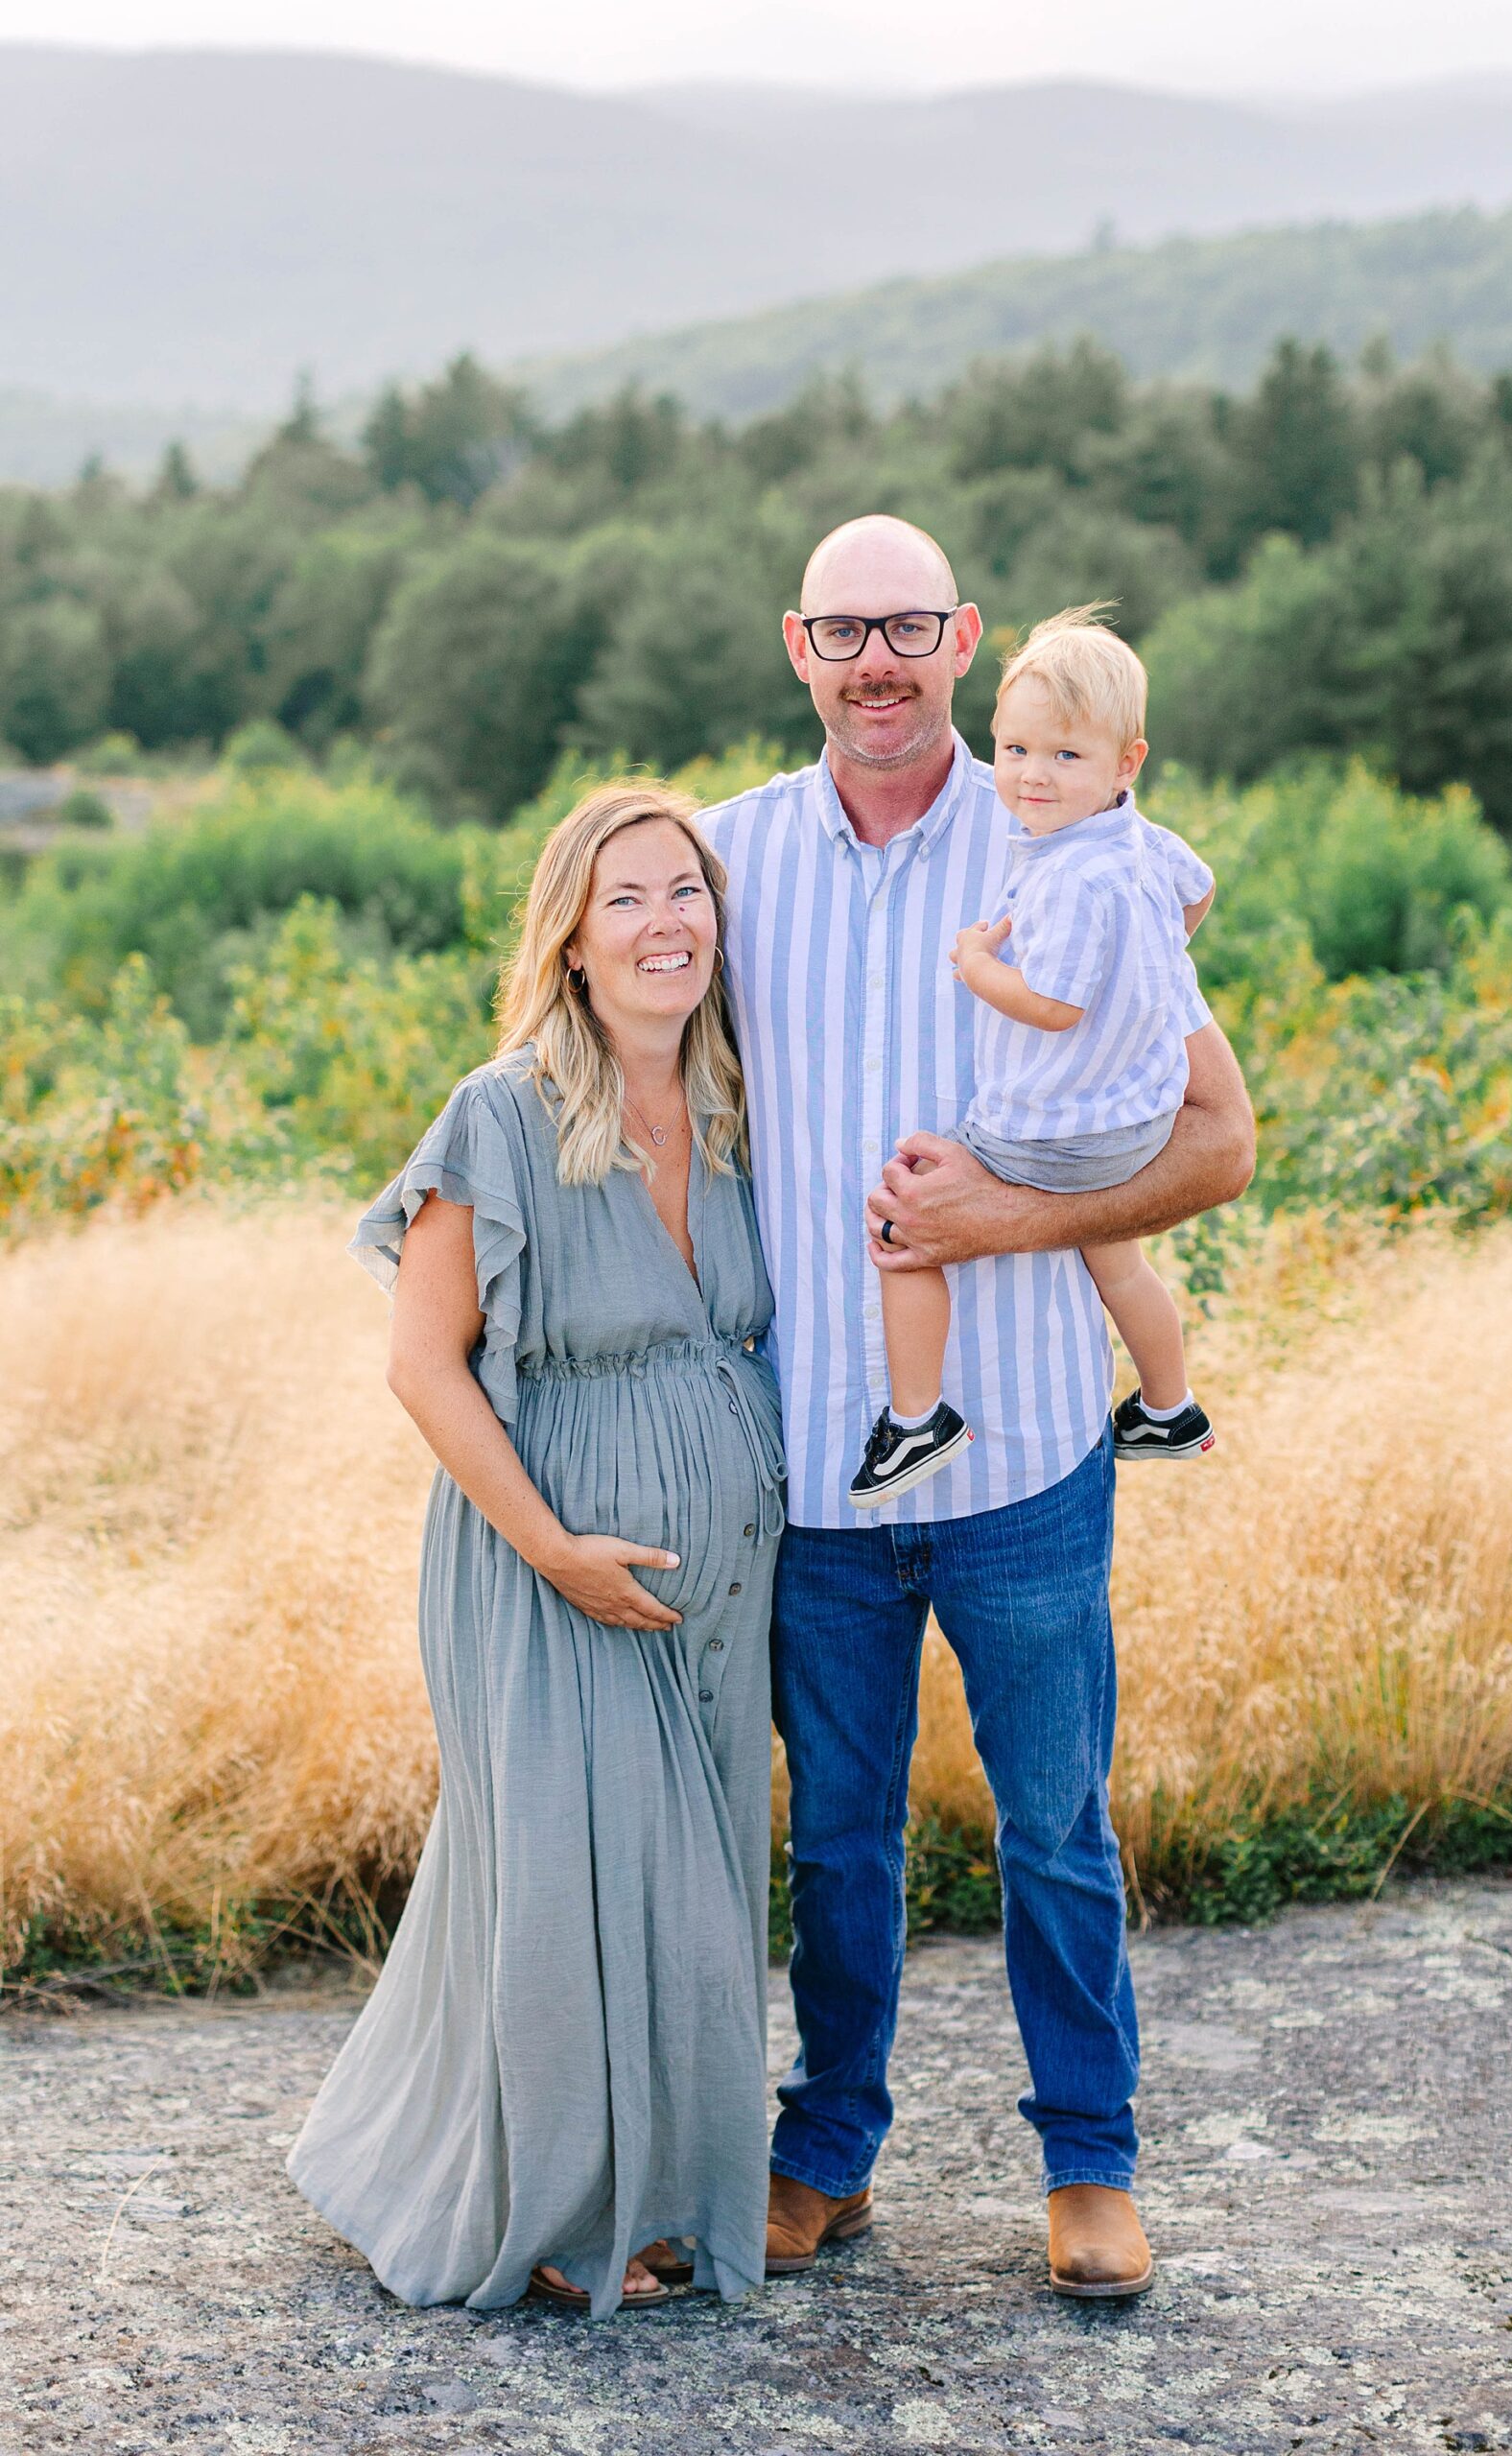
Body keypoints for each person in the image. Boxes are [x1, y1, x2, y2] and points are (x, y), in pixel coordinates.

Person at [697, 516, 1254, 2300]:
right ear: (798, 643)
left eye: (909, 627)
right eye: (844, 628)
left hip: (1021, 1452)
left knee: (1052, 1825)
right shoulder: (724, 860)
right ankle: (828, 2146)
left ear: (966, 639)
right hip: (809, 1462)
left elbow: (1217, 1142)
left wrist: (1011, 1219)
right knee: (838, 1839)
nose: (877, 659)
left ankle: (1089, 2160)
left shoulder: (1065, 836)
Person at [287, 785, 785, 2323]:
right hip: (544, 1572)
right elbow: (423, 1364)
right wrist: (558, 1548)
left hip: (721, 1588)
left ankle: (657, 2187)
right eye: (625, 898)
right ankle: (565, 2212)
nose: (663, 924)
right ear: (569, 936)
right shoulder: (499, 1114)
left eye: (685, 892)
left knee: (695, 1892)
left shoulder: (740, 1110)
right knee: (578, 1889)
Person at [849, 604, 1217, 1511]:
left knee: (905, 1218)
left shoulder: (1066, 876)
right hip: (1131, 1116)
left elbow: (1050, 1006)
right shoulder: (1136, 840)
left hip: (1054, 1133)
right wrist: (1149, 972)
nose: (1031, 777)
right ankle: (1170, 1407)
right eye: (1014, 752)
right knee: (1115, 1260)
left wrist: (977, 966)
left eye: (1064, 756)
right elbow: (1196, 894)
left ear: (1125, 761)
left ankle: (914, 1418)